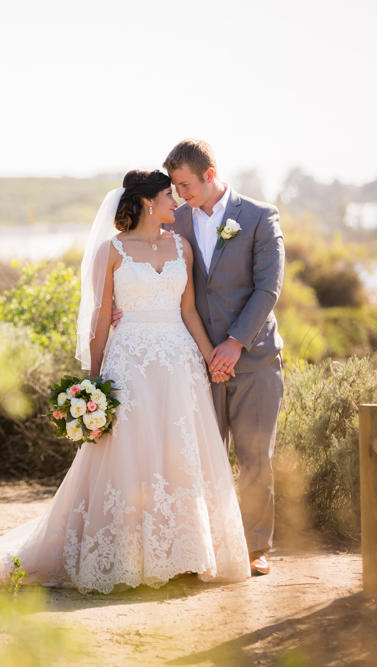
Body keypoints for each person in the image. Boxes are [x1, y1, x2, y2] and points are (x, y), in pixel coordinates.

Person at [0, 169, 250, 593]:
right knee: (130, 454)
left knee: (177, 452)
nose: (177, 202)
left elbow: (189, 310)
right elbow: (99, 319)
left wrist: (212, 359)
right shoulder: (110, 251)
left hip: (179, 364)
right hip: (129, 360)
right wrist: (91, 383)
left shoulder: (182, 246)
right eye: (169, 195)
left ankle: (184, 553)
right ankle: (128, 557)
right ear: (149, 202)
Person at [115, 139, 285, 576]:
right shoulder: (176, 221)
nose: (179, 193)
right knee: (191, 457)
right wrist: (125, 305)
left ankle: (254, 547)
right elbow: (154, 269)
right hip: (192, 363)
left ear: (210, 175)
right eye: (173, 186)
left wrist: (234, 343)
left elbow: (268, 288)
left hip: (252, 359)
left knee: (254, 456)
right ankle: (202, 546)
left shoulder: (260, 216)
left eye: (185, 184)